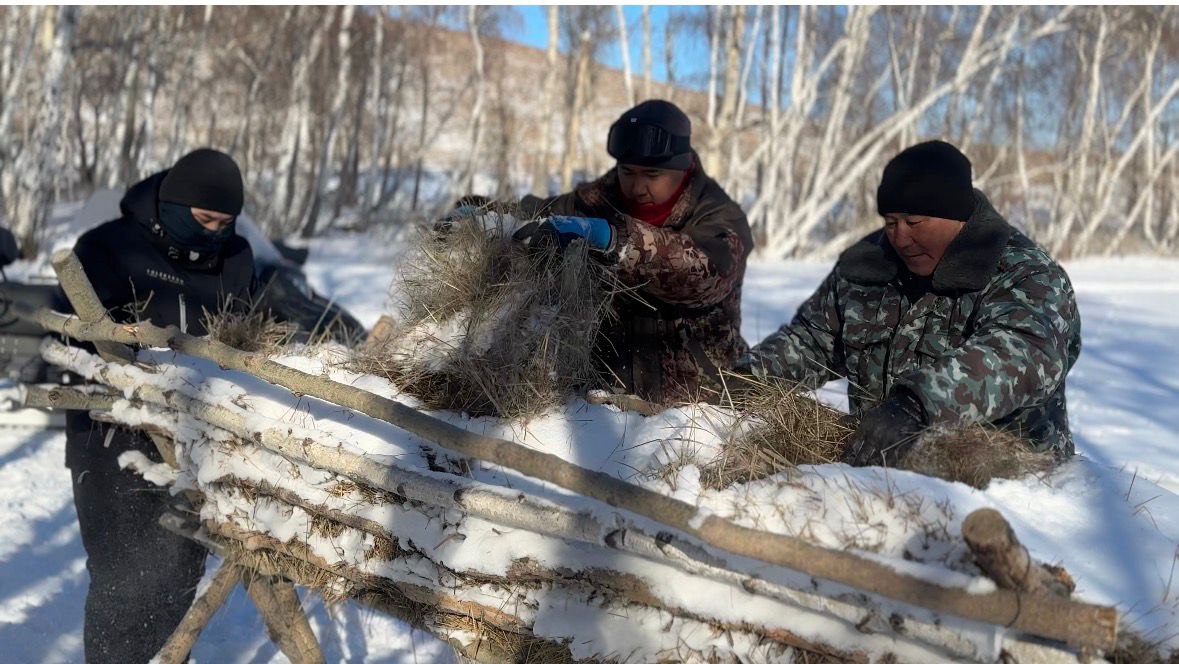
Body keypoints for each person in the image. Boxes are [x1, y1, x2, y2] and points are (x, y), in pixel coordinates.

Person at [736, 140, 1081, 466]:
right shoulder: (866, 266)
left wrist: (919, 403)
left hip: (1012, 482)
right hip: (880, 471)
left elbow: (1022, 353)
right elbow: (811, 341)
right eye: (890, 222)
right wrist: (746, 378)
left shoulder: (1025, 274)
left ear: (957, 217)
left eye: (915, 222)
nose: (900, 238)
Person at [64, 148, 255, 662]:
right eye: (204, 220)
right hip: (110, 433)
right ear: (172, 205)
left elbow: (245, 333)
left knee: (176, 572)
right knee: (123, 572)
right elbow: (72, 338)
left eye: (225, 223)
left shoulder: (235, 259)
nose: (215, 234)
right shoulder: (108, 247)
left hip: (197, 437)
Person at [513, 99, 754, 404]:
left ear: (683, 168)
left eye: (652, 175)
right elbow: (543, 211)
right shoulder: (602, 197)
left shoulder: (720, 215)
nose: (638, 187)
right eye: (628, 172)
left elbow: (703, 273)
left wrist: (618, 240)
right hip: (609, 405)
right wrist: (488, 215)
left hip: (700, 413)